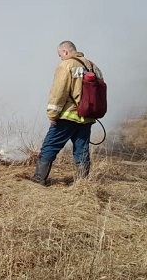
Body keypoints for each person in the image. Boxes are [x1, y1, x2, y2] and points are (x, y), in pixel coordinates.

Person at [31, 40, 104, 186]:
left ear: (65, 52)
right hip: (87, 117)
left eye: (60, 55)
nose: (60, 58)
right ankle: (83, 182)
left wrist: (52, 114)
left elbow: (59, 92)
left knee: (50, 146)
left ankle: (39, 178)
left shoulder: (66, 65)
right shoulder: (92, 66)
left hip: (67, 116)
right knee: (82, 149)